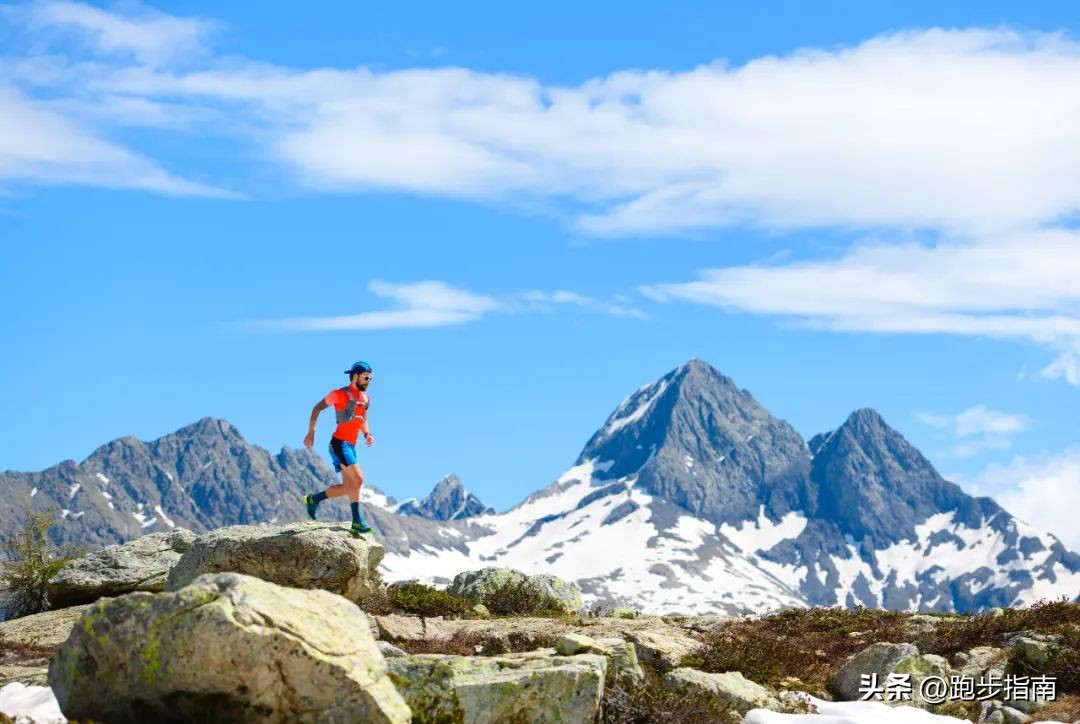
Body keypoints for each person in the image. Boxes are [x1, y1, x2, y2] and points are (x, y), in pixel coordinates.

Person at [302, 361, 375, 537]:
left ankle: (313, 499)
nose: (369, 381)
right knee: (358, 479)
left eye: (370, 378)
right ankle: (356, 522)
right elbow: (316, 408)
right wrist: (311, 432)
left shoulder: (365, 398)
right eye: (366, 378)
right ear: (355, 376)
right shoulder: (339, 394)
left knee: (348, 487)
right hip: (339, 444)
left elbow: (362, 419)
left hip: (351, 446)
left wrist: (366, 434)